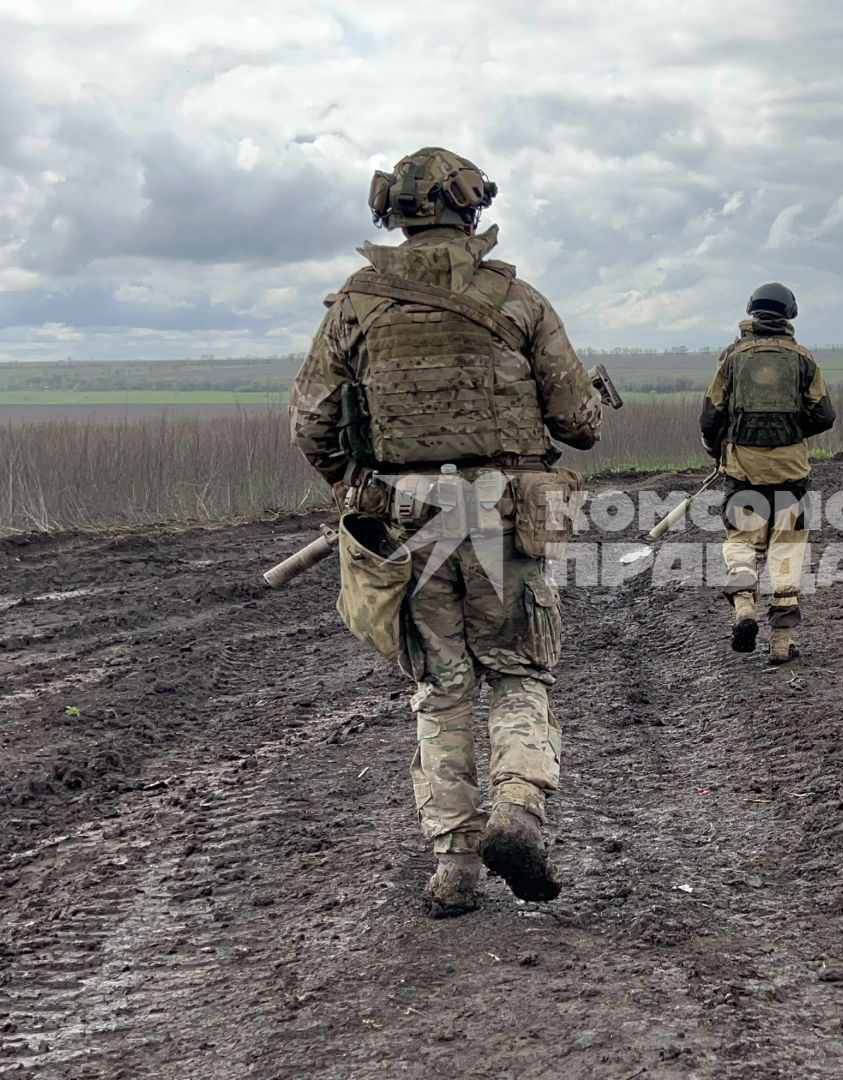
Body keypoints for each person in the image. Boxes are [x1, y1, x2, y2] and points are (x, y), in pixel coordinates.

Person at [290, 147, 603, 917]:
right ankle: (519, 809)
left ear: (393, 213)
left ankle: (454, 866)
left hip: (409, 523)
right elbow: (578, 423)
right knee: (519, 674)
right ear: (471, 209)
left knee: (441, 687)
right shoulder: (518, 300)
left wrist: (355, 492)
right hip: (504, 518)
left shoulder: (355, 307)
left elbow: (311, 423)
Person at [698, 283, 836, 663]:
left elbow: (711, 416)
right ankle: (780, 643)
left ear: (752, 313)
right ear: (789, 314)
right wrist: (792, 434)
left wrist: (719, 451)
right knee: (786, 551)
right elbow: (825, 415)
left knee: (741, 541)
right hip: (791, 473)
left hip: (742, 470)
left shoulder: (731, 357)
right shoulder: (803, 358)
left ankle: (744, 605)